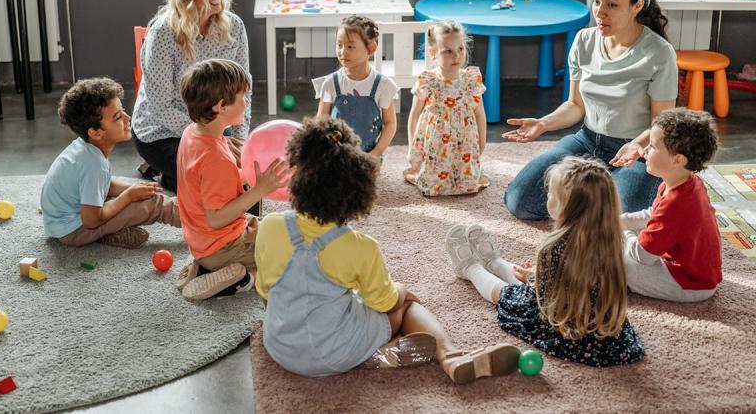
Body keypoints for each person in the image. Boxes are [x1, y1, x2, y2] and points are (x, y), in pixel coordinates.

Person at [256, 117, 520, 383]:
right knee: (405, 307)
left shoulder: (269, 226)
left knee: (335, 299)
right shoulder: (361, 247)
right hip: (335, 351)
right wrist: (402, 291)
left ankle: (374, 353)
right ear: (357, 194)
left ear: (297, 176)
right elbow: (384, 302)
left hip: (281, 347)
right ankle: (450, 356)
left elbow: (266, 290)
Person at [503, 0, 678, 219]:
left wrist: (638, 146)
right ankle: (595, 194)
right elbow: (575, 105)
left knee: (621, 219)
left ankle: (597, 195)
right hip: (586, 140)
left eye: (612, 4)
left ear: (637, 6)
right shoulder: (584, 41)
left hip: (635, 151)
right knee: (520, 201)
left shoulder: (659, 53)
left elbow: (661, 122)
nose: (600, 12)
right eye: (597, 1)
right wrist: (543, 123)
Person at [446, 156, 644, 367]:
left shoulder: (554, 247)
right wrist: (536, 276)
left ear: (565, 205)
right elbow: (580, 279)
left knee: (507, 293)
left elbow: (543, 298)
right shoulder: (613, 238)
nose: (547, 195)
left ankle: (470, 268)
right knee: (526, 281)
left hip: (568, 326)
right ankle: (494, 262)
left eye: (551, 193)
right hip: (606, 332)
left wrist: (536, 278)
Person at [131, 0, 251, 192]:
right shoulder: (163, 33)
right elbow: (160, 107)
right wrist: (213, 138)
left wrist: (240, 141)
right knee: (215, 179)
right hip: (162, 132)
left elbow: (243, 90)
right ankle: (162, 175)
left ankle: (169, 175)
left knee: (240, 175)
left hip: (215, 126)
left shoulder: (234, 26)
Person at [175, 59, 289, 301]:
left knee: (276, 226)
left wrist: (247, 176)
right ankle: (241, 277)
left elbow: (206, 186)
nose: (246, 102)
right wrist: (259, 190)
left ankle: (203, 266)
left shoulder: (192, 133)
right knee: (290, 254)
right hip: (222, 246)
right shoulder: (216, 158)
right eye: (242, 97)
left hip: (203, 240)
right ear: (221, 106)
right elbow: (216, 219)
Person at [41, 78, 181, 249]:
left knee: (137, 194)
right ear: (96, 132)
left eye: (122, 111)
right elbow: (92, 220)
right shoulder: (94, 164)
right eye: (117, 117)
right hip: (75, 231)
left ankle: (110, 233)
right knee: (154, 204)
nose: (127, 117)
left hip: (63, 223)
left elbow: (104, 184)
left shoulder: (86, 148)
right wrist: (129, 196)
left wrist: (133, 189)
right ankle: (206, 223)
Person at [621, 108, 722, 302]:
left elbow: (642, 256)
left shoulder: (676, 203)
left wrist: (622, 232)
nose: (646, 150)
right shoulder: (685, 182)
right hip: (694, 270)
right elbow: (652, 215)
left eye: (652, 146)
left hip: (691, 283)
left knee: (621, 265)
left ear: (677, 160)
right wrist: (620, 221)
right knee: (620, 240)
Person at [404, 19, 489, 196]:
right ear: (433, 53)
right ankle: (434, 177)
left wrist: (482, 142)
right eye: (448, 51)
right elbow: (414, 116)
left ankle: (463, 178)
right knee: (434, 182)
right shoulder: (427, 80)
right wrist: (413, 147)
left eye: (460, 49)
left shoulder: (471, 80)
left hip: (464, 143)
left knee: (466, 181)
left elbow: (480, 114)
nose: (456, 56)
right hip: (435, 145)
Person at [313, 15, 398, 158]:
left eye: (350, 46)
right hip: (336, 154)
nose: (342, 51)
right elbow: (321, 121)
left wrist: (376, 152)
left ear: (371, 49)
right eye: (339, 45)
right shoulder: (331, 83)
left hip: (368, 155)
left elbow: (390, 124)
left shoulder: (383, 86)